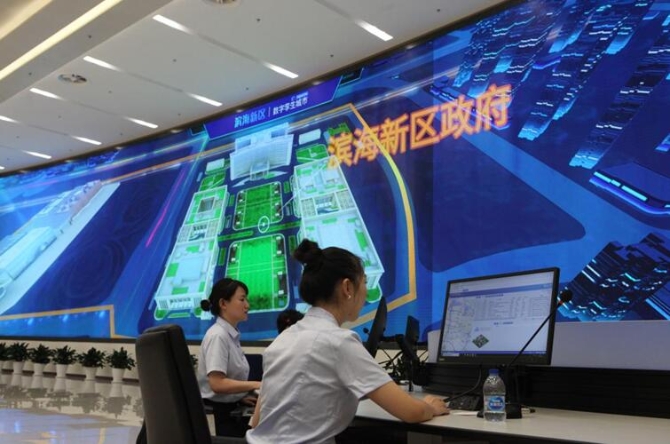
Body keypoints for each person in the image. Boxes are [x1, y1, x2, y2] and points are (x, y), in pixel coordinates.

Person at [246, 239, 448, 443]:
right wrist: (430, 406)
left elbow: (257, 421)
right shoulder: (339, 341)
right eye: (365, 283)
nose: (366, 292)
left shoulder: (284, 338)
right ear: (347, 287)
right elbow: (412, 412)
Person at [197, 277, 261, 438]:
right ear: (223, 303)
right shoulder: (218, 336)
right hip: (219, 417)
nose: (247, 305)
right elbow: (217, 384)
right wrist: (258, 384)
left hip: (229, 408)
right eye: (242, 299)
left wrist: (239, 397)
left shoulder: (229, 335)